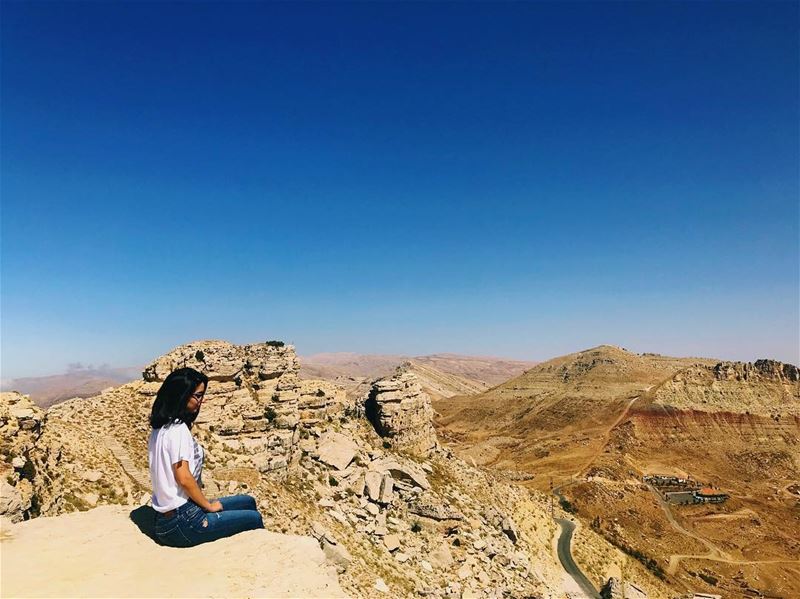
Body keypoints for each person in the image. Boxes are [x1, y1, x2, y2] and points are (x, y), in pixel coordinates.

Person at [148, 367, 264, 547]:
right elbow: (184, 478)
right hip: (183, 522)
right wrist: (208, 507)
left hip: (169, 518)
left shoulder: (160, 428)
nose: (202, 400)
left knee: (248, 502)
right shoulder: (178, 430)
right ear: (182, 395)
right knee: (254, 518)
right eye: (198, 395)